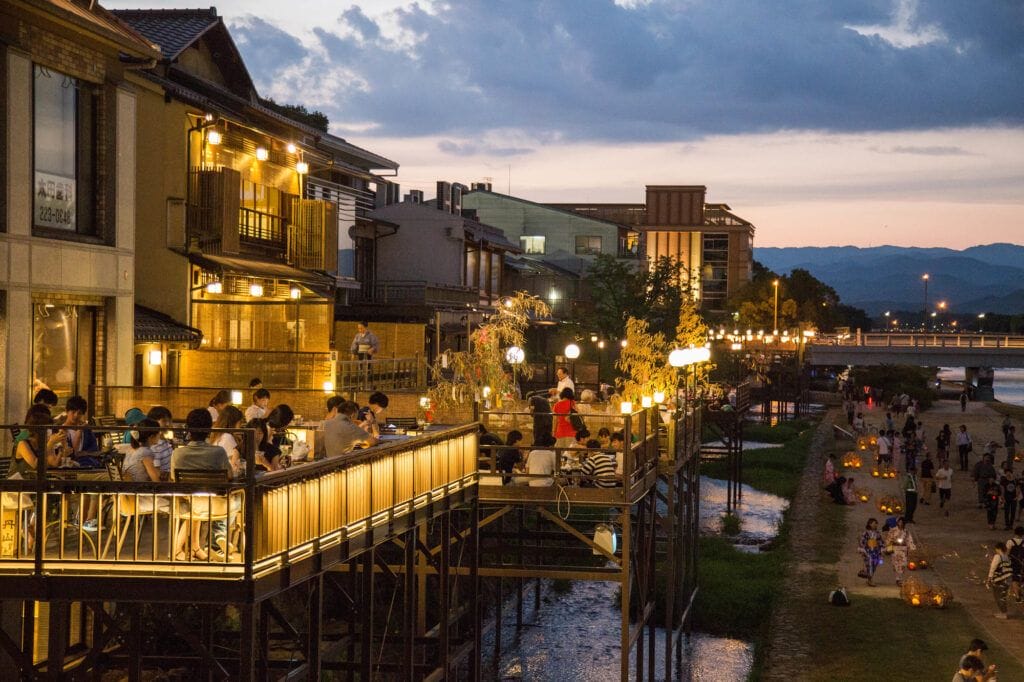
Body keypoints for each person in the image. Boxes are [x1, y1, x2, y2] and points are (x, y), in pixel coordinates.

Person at [170, 409, 231, 561]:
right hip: (216, 506)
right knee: (239, 500)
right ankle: (219, 536)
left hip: (189, 503)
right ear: (209, 429)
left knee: (195, 500)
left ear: (188, 429)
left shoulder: (178, 453)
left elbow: (172, 478)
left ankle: (194, 547)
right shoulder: (218, 452)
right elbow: (230, 476)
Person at [122, 418, 164, 483]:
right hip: (141, 489)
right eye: (159, 432)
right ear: (152, 436)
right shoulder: (145, 452)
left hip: (129, 488)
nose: (160, 434)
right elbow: (155, 480)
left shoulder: (131, 450)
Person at [210, 405, 246, 478]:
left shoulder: (218, 435)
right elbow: (235, 464)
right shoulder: (227, 437)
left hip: (218, 475)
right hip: (226, 477)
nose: (240, 425)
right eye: (240, 422)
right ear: (233, 422)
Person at [146, 406, 175, 478]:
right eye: (164, 421)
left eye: (169, 420)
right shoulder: (155, 447)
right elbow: (157, 474)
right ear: (154, 422)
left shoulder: (165, 441)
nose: (168, 424)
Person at [987, 542, 1013, 619]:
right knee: (1002, 596)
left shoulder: (997, 556)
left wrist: (989, 578)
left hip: (1000, 580)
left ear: (998, 548)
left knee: (998, 596)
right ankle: (1003, 612)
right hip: (1008, 579)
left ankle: (1003, 613)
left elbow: (993, 568)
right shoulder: (1007, 557)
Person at [888, 517, 916, 585]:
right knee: (896, 564)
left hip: (903, 549)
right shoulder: (893, 530)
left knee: (903, 564)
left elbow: (909, 540)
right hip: (895, 549)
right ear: (897, 523)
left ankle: (900, 578)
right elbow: (889, 540)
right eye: (899, 522)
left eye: (902, 522)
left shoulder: (906, 532)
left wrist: (911, 547)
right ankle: (897, 579)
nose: (900, 523)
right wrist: (889, 548)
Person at [858, 518, 884, 587]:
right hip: (868, 552)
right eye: (874, 523)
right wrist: (863, 550)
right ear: (870, 524)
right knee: (869, 565)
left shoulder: (878, 533)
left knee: (874, 565)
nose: (875, 525)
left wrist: (881, 550)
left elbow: (881, 542)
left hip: (876, 552)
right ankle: (870, 580)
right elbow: (862, 542)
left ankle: (869, 578)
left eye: (876, 523)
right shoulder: (865, 533)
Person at [1007, 526, 1024, 604]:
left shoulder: (1010, 542)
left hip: (1013, 564)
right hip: (1022, 563)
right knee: (1021, 579)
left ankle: (1017, 595)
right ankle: (1020, 592)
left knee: (1014, 579)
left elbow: (1007, 554)